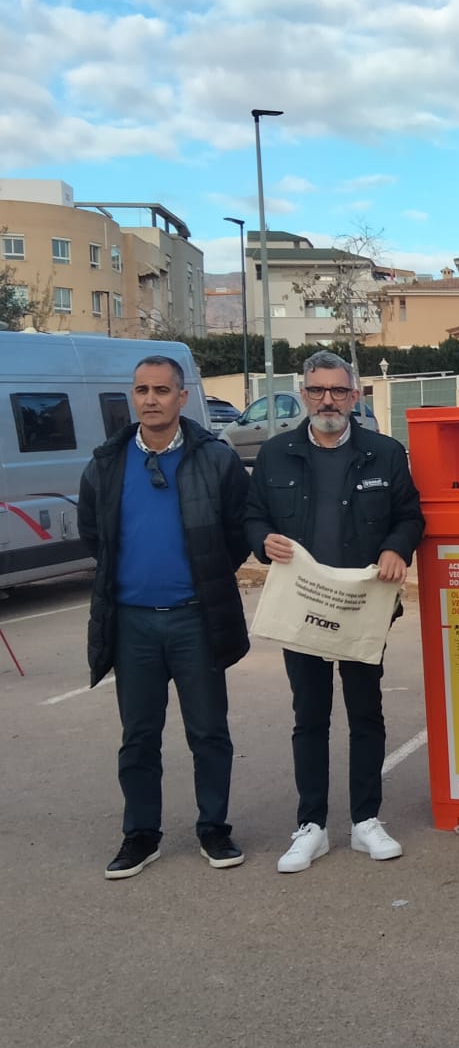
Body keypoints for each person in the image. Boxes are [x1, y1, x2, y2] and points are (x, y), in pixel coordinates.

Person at [244, 351, 424, 874]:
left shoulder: (384, 453)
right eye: (318, 390)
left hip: (361, 608)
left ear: (355, 396)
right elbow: (252, 516)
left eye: (338, 391)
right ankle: (312, 827)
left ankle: (367, 821)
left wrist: (397, 547)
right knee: (310, 717)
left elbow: (410, 515)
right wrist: (262, 541)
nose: (328, 400)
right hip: (303, 608)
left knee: (366, 713)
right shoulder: (276, 454)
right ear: (303, 394)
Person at [79, 355, 251, 879]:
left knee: (208, 731)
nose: (150, 399)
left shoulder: (214, 459)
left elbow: (237, 533)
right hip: (132, 623)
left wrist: (203, 580)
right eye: (141, 390)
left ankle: (213, 828)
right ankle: (141, 834)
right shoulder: (107, 462)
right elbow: (95, 535)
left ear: (181, 398)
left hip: (195, 619)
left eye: (161, 390)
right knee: (139, 735)